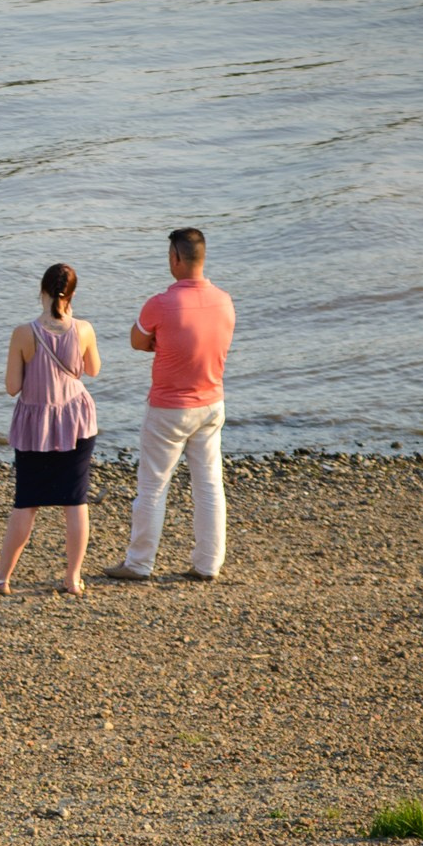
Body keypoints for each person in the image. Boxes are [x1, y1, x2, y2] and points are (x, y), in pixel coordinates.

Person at [102, 227, 235, 583]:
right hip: (211, 403)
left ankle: (139, 563)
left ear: (175, 258)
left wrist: (160, 342)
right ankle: (208, 564)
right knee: (209, 484)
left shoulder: (160, 303)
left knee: (153, 487)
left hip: (168, 408)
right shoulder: (224, 301)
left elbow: (136, 340)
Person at [0, 264, 100, 597]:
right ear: (72, 295)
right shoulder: (84, 329)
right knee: (75, 501)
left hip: (35, 426)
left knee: (26, 502)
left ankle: (2, 578)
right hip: (76, 420)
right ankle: (73, 578)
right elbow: (93, 369)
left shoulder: (24, 333)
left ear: (41, 291)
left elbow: (12, 387)